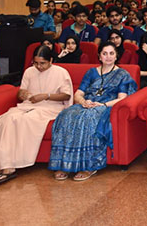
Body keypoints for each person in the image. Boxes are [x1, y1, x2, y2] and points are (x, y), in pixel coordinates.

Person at [49, 42, 137, 181]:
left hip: (107, 105)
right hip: (87, 103)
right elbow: (78, 94)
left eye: (111, 53)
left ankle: (89, 166)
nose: (108, 57)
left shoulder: (122, 74)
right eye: (104, 53)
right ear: (99, 56)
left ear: (116, 56)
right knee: (66, 115)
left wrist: (102, 104)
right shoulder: (91, 72)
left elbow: (122, 99)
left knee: (89, 118)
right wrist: (83, 102)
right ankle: (64, 164)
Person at [0, 46, 72, 185]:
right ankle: (6, 164)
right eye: (36, 63)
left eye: (42, 63)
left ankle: (14, 164)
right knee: (6, 119)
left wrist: (46, 96)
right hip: (29, 105)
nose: (39, 66)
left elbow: (66, 95)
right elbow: (21, 93)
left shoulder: (61, 72)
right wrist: (23, 94)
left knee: (26, 120)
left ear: (51, 60)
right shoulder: (29, 71)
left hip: (51, 107)